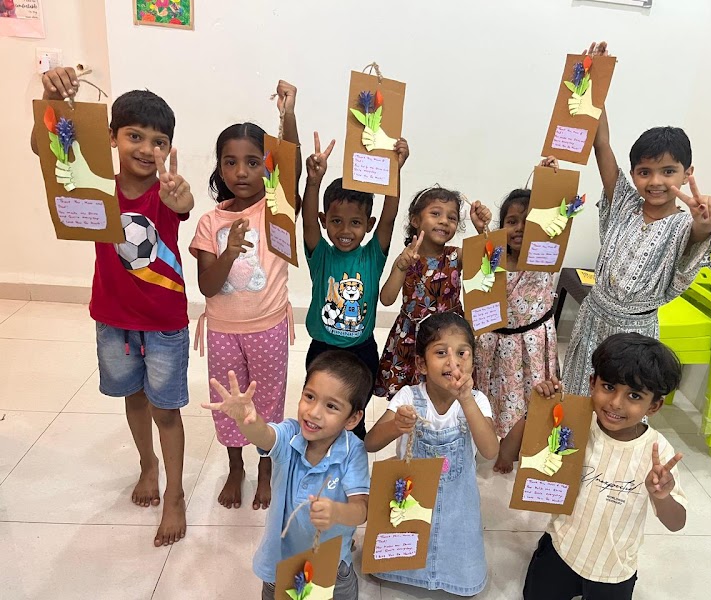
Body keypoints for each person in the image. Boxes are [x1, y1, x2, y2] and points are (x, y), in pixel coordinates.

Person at [32, 67, 194, 547]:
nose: (146, 149)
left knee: (166, 410)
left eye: (159, 141)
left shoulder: (167, 192)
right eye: (134, 136)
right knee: (133, 397)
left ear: (169, 148)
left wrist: (181, 197)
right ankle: (146, 465)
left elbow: (183, 203)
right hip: (113, 319)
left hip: (164, 323)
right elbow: (46, 149)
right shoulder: (96, 184)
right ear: (111, 136)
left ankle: (176, 493)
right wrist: (50, 97)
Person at [561, 41, 711, 396]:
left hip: (635, 335)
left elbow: (699, 234)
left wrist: (707, 223)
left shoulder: (683, 226)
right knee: (579, 393)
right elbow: (601, 144)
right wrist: (596, 80)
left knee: (623, 402)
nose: (656, 181)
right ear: (633, 174)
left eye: (668, 171)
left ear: (687, 173)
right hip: (592, 318)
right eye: (645, 172)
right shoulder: (624, 202)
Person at [189, 81, 301, 511]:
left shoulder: (275, 207)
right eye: (230, 162)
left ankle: (266, 468)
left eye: (253, 162)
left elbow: (290, 164)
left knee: (268, 401)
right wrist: (229, 251)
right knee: (229, 405)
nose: (241, 172)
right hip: (222, 331)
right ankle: (235, 467)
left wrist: (287, 115)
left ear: (267, 167)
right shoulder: (209, 222)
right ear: (219, 168)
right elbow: (207, 286)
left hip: (268, 327)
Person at [523, 332, 687, 600]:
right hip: (561, 549)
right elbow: (516, 453)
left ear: (654, 406)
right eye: (609, 387)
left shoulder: (658, 453)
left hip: (613, 568)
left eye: (634, 395)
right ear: (592, 383)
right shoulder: (573, 424)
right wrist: (541, 410)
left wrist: (662, 495)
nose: (616, 403)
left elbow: (676, 523)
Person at [202, 351, 372, 600]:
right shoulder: (290, 435)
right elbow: (264, 436)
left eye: (331, 406)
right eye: (309, 396)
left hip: (333, 567)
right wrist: (245, 419)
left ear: (353, 418)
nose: (313, 412)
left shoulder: (353, 452)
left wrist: (338, 512)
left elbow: (362, 509)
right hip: (280, 565)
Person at [366, 312, 499, 596]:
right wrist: (396, 425)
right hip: (411, 499)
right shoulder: (408, 397)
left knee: (459, 551)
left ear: (473, 361)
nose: (453, 362)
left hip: (458, 507)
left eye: (462, 353)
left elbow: (490, 451)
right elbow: (371, 443)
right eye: (441, 353)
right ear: (421, 364)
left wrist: (466, 400)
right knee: (404, 538)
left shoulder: (477, 400)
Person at [302, 132, 409, 439]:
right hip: (322, 349)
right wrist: (313, 182)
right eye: (336, 221)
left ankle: (352, 452)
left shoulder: (372, 256)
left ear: (368, 225)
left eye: (356, 222)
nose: (345, 230)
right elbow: (306, 221)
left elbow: (389, 218)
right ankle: (317, 449)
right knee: (319, 412)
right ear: (324, 220)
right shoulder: (320, 254)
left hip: (361, 351)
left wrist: (395, 171)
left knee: (353, 415)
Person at [474, 158, 561, 474]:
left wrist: (549, 183)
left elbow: (557, 221)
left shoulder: (543, 258)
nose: (520, 228)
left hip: (532, 345)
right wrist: (481, 230)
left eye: (528, 221)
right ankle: (489, 442)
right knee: (492, 396)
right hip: (494, 344)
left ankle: (508, 452)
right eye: (511, 221)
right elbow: (480, 272)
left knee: (528, 400)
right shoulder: (494, 255)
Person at [374, 187, 491, 399]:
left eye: (452, 217)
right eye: (435, 213)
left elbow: (489, 264)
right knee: (411, 396)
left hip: (449, 337)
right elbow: (387, 299)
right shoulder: (406, 258)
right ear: (415, 220)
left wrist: (482, 230)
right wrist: (401, 267)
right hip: (412, 336)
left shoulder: (456, 256)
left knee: (448, 390)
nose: (444, 221)